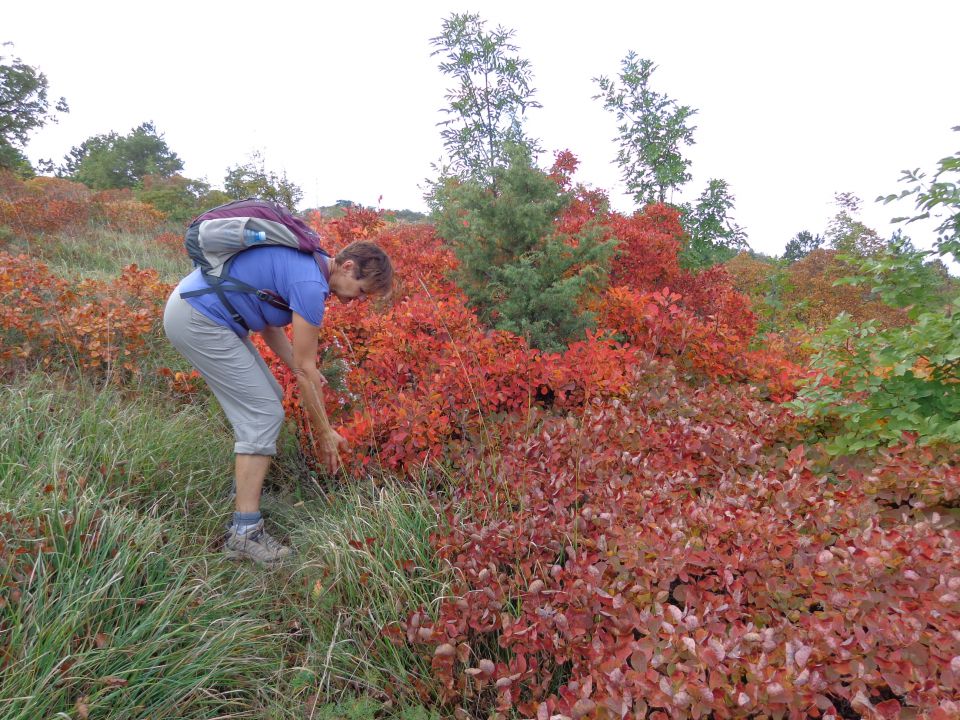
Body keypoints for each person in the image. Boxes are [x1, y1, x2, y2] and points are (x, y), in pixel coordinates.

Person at [163, 238, 393, 564]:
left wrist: (301, 368)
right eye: (361, 290)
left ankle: (243, 491)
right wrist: (324, 432)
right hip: (198, 317)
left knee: (271, 397)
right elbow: (304, 369)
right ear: (348, 267)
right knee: (263, 414)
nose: (355, 300)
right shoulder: (310, 284)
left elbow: (269, 325)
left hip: (197, 309)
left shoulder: (309, 263)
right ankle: (244, 533)